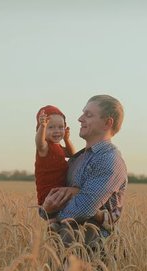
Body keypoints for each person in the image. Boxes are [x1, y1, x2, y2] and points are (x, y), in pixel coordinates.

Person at [40, 95, 127, 254]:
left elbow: (81, 209)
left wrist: (48, 210)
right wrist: (47, 208)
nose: (80, 119)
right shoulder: (77, 159)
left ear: (107, 123)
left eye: (88, 115)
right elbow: (57, 196)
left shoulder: (108, 160)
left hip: (94, 254)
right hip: (65, 249)